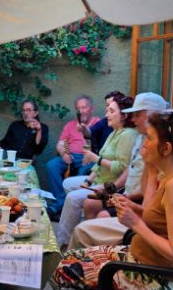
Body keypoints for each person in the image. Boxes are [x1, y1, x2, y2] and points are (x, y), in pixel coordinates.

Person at [52, 112, 173, 290]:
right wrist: (134, 208)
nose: (144, 144)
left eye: (149, 138)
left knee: (60, 270)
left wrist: (135, 223)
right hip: (141, 260)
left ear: (166, 148)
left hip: (154, 278)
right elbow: (165, 221)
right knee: (65, 259)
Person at [67, 92, 168, 249]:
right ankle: (87, 250)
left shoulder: (156, 145)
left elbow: (150, 195)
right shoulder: (140, 137)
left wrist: (122, 196)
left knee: (87, 219)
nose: (133, 119)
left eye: (137, 114)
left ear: (151, 115)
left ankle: (82, 249)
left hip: (138, 202)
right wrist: (113, 190)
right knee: (86, 203)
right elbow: (130, 169)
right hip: (130, 195)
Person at [55, 95, 138, 241]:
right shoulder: (114, 133)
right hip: (99, 179)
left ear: (124, 115)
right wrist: (88, 181)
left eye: (111, 111)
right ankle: (76, 226)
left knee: (72, 198)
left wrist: (96, 159)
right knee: (67, 184)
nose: (106, 115)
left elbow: (122, 168)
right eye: (107, 110)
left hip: (110, 184)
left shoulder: (128, 135)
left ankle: (63, 241)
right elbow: (99, 163)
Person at [45, 95, 101, 216]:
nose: (81, 111)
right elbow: (62, 143)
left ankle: (65, 206)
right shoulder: (70, 125)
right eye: (78, 108)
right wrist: (64, 153)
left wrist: (90, 155)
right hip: (71, 156)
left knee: (83, 172)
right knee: (52, 165)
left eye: (84, 107)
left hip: (89, 158)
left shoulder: (99, 123)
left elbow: (101, 146)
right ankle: (60, 203)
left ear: (91, 108)